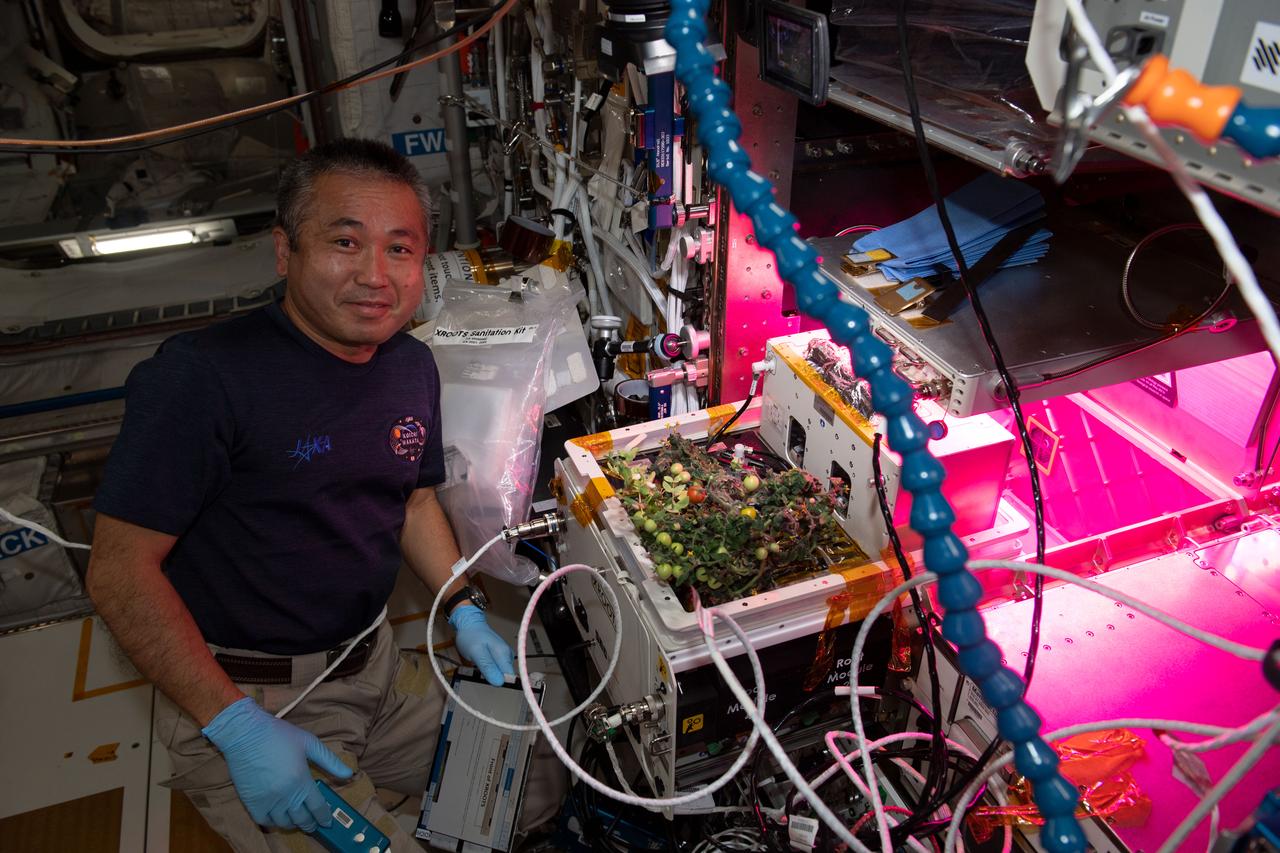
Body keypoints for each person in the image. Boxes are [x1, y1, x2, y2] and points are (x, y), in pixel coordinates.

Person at [86, 138, 520, 851]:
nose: (374, 276)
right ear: (285, 251)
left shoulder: (410, 363)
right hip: (249, 698)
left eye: (400, 249)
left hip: (372, 667)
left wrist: (464, 606)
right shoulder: (200, 379)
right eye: (345, 242)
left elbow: (412, 503)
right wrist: (234, 725)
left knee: (534, 779)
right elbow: (117, 572)